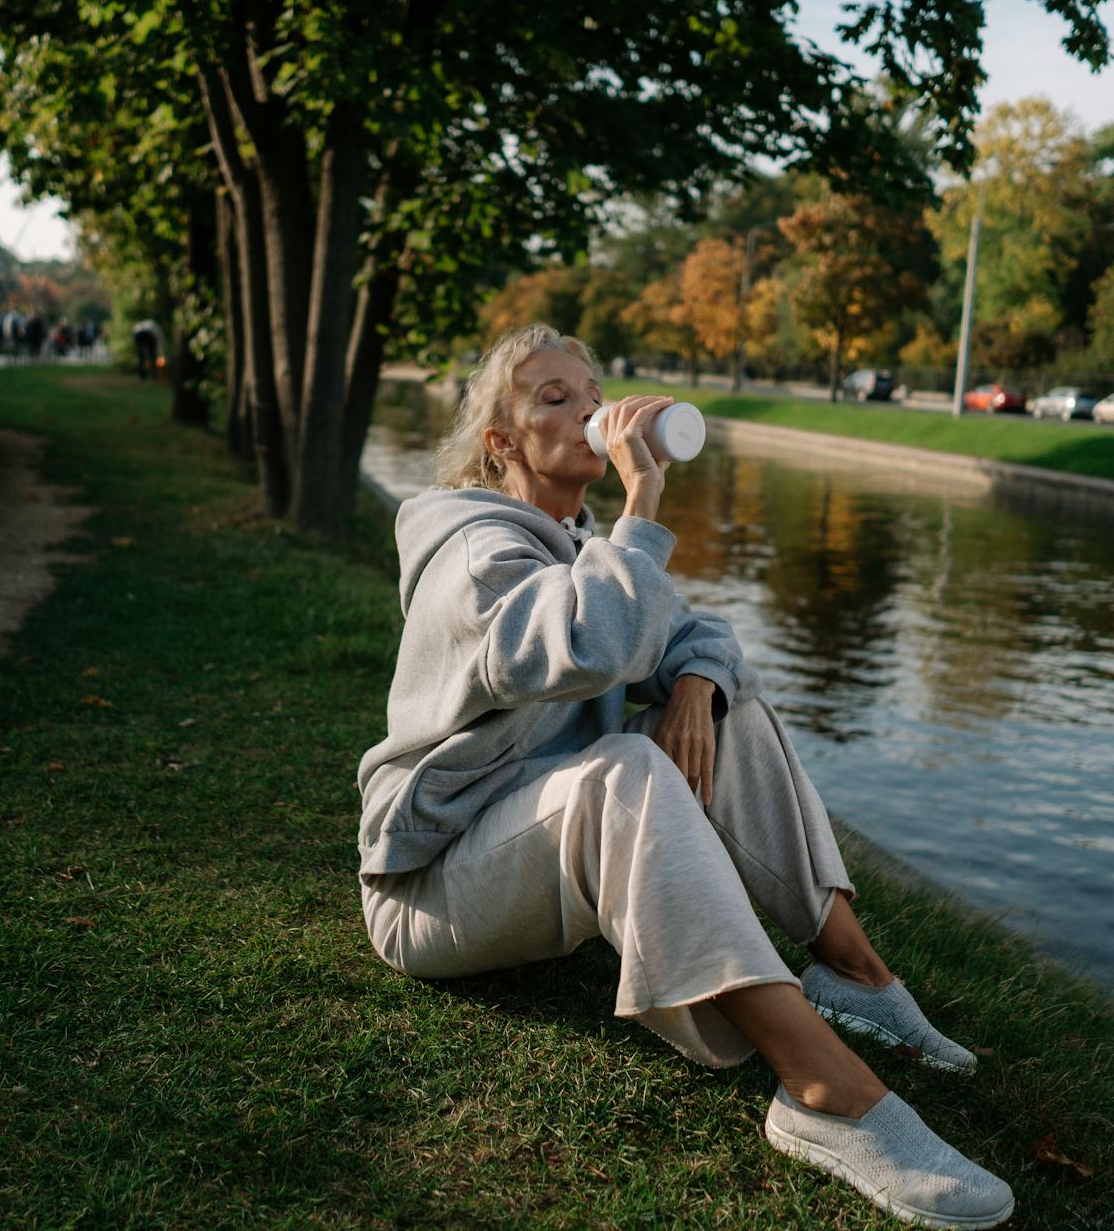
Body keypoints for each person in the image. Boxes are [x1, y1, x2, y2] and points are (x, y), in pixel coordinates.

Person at [356, 323, 1013, 1229]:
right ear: (500, 443)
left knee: (724, 707)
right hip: (430, 889)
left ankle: (853, 974)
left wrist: (697, 686)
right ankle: (822, 1094)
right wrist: (647, 499)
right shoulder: (476, 553)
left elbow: (697, 636)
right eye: (554, 398)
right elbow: (593, 642)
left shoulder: (583, 543)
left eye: (591, 394)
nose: (588, 411)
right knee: (624, 765)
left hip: (530, 841)